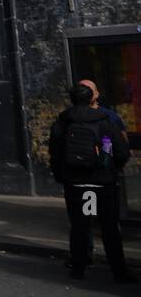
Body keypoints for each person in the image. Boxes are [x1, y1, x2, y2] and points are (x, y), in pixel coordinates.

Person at [49, 82, 135, 283]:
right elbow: (119, 152)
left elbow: (55, 153)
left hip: (76, 184)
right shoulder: (104, 122)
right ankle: (119, 272)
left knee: (80, 226)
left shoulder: (63, 122)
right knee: (109, 228)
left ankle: (78, 269)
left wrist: (64, 176)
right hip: (102, 183)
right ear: (92, 98)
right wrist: (107, 167)